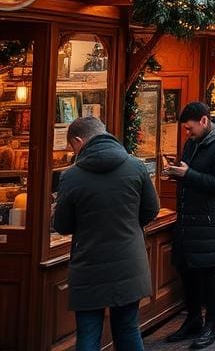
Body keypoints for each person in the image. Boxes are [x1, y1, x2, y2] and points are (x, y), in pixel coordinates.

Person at [52, 117, 159, 351]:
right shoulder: (136, 166)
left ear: (78, 141)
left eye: (72, 146)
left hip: (89, 265)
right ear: (104, 133)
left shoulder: (71, 176)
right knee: (128, 329)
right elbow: (152, 209)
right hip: (129, 263)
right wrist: (130, 225)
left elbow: (62, 225)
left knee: (88, 335)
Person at [164, 101, 215, 348]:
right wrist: (175, 172)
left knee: (210, 274)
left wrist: (188, 175)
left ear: (204, 121)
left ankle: (212, 325)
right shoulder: (192, 143)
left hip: (208, 222)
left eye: (189, 128)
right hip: (187, 220)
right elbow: (191, 175)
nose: (187, 133)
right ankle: (193, 320)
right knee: (188, 271)